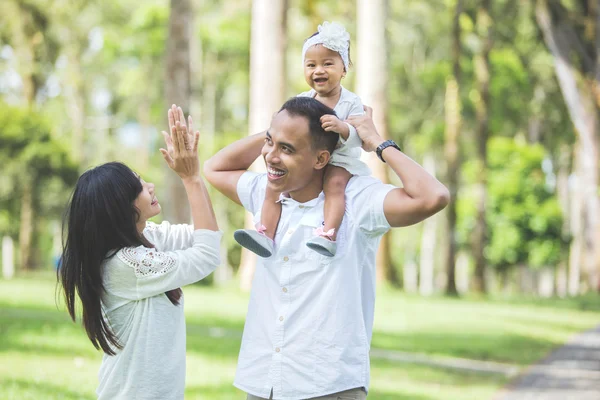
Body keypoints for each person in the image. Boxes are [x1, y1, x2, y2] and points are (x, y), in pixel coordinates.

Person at [204, 97, 450, 400]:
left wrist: (377, 143)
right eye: (270, 143)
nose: (270, 157)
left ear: (321, 159)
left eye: (287, 149)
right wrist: (279, 130)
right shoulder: (266, 194)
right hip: (264, 381)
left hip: (327, 385)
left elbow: (433, 197)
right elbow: (214, 168)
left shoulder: (358, 201)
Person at [58, 105, 222, 400]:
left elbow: (204, 233)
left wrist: (194, 173)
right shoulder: (127, 263)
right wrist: (192, 179)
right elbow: (206, 255)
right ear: (120, 207)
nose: (150, 185)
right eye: (139, 186)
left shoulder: (146, 237)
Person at [234, 21, 369, 258]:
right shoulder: (304, 98)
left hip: (339, 161)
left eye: (328, 64)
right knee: (274, 186)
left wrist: (343, 128)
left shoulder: (351, 102)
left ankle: (328, 233)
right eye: (311, 65)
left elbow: (361, 137)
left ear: (344, 69)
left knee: (335, 186)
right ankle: (265, 233)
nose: (319, 70)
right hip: (307, 161)